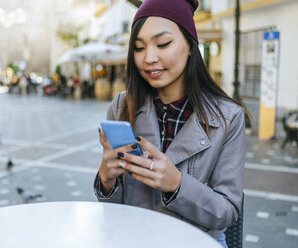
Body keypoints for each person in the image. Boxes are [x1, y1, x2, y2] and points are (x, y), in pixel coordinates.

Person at [93, 0, 248, 247]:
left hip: (196, 240)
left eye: (163, 44)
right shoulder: (123, 106)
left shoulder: (229, 117)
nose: (149, 58)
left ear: (190, 45)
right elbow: (115, 211)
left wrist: (176, 184)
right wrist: (106, 179)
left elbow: (227, 212)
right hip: (134, 237)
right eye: (139, 47)